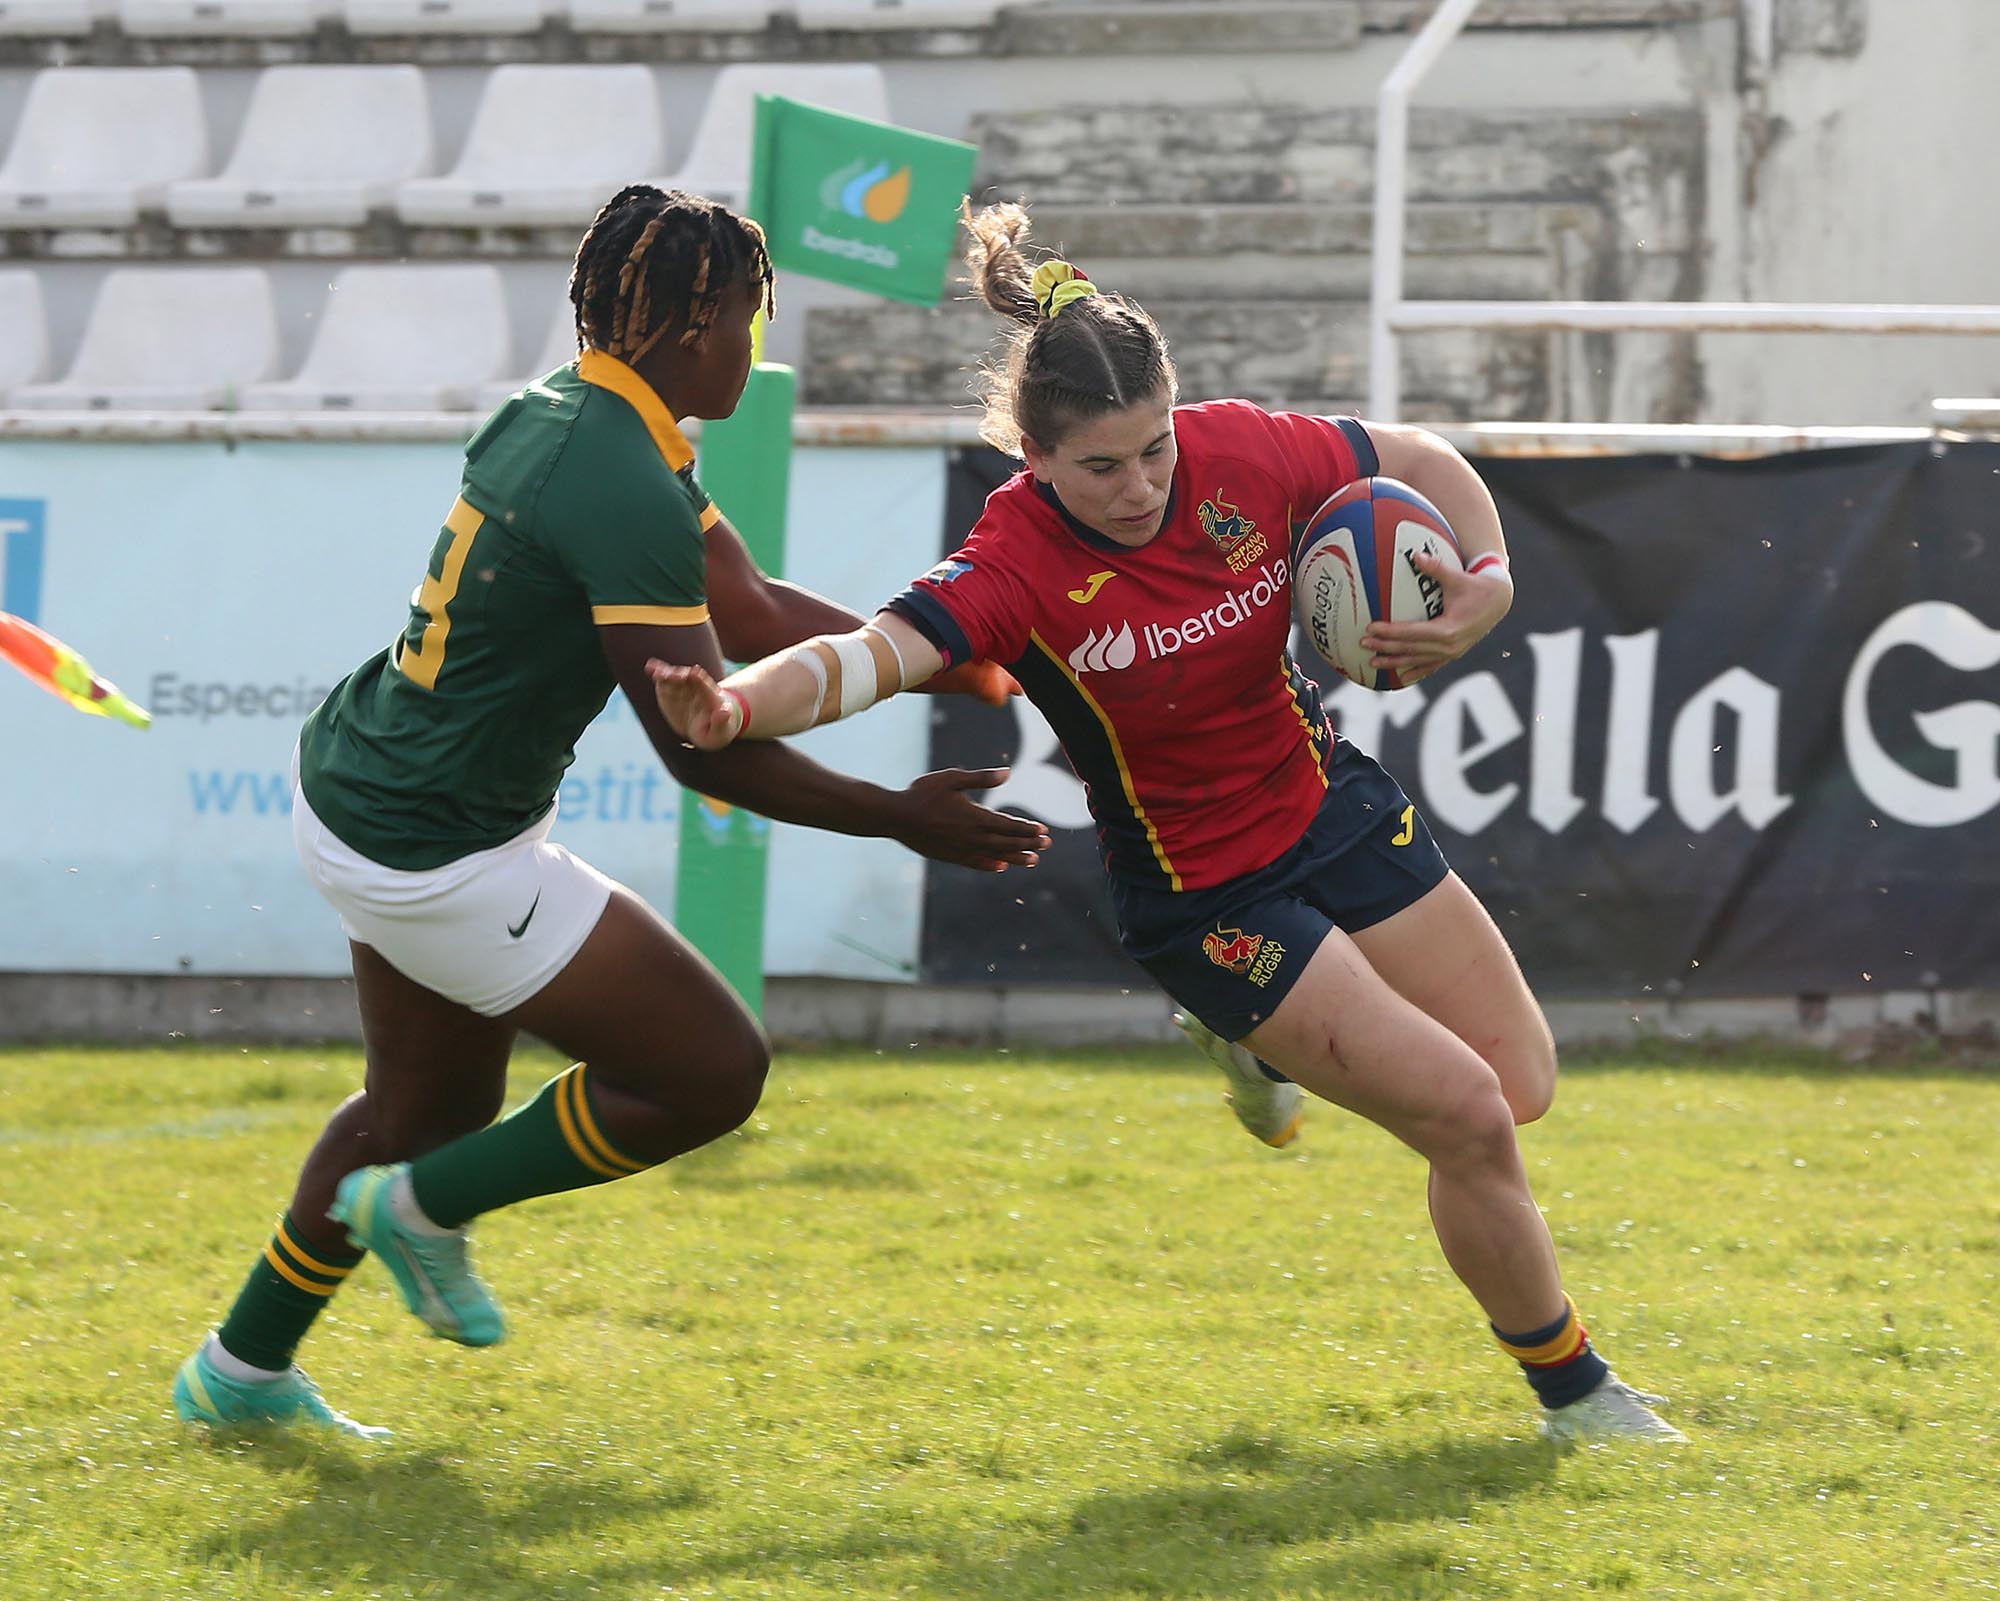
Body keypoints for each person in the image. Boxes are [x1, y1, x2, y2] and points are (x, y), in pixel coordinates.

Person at [647, 201, 1686, 1446]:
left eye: (1154, 450)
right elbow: (865, 658)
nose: (1140, 486)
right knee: (1464, 1116)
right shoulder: (1010, 560)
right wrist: (733, 705)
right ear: (1033, 457)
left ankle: (1253, 1048)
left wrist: (1489, 580)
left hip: (1330, 805)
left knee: (1519, 1086)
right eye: (1101, 468)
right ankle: (1575, 1395)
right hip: (1207, 897)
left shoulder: (1240, 451)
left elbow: (1417, 457)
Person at [172, 186, 1049, 1440]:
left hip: (368, 789)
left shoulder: (580, 414)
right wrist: (895, 817)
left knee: (419, 1116)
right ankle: (422, 1210)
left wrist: (936, 656)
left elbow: (748, 607)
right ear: (692, 325)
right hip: (438, 850)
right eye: (746, 318)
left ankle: (239, 1371)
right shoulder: (620, 478)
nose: (753, 343)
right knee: (709, 1072)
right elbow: (704, 753)